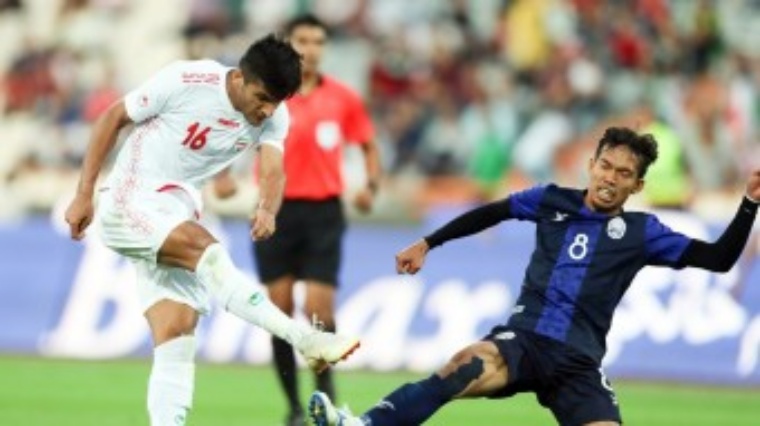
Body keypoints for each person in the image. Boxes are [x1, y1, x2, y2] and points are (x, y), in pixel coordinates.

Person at [308, 127, 760, 426]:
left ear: (637, 186)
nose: (610, 178)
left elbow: (718, 259)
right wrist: (428, 242)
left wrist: (750, 203)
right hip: (523, 343)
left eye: (624, 174)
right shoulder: (551, 200)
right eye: (606, 166)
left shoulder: (643, 232)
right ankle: (362, 423)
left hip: (578, 363)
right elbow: (492, 212)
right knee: (461, 366)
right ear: (591, 164)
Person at [63, 34, 360, 426]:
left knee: (178, 332)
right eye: (262, 98)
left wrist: (268, 208)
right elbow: (113, 116)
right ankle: (304, 339)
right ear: (239, 78)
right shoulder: (187, 80)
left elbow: (274, 171)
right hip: (130, 198)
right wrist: (84, 194)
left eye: (276, 102)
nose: (267, 110)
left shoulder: (274, 115)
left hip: (178, 209)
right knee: (208, 252)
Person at [250, 14, 381, 426]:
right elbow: (234, 132)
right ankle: (292, 407)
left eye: (319, 41)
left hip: (324, 212)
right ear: (289, 45)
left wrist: (370, 186)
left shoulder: (343, 98)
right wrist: (219, 176)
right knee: (280, 310)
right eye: (303, 40)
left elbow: (368, 145)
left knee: (318, 309)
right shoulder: (271, 94)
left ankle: (326, 400)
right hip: (275, 209)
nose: (312, 49)